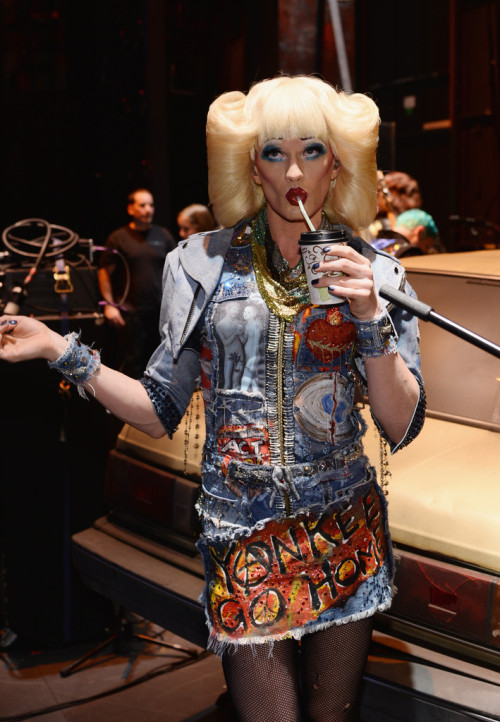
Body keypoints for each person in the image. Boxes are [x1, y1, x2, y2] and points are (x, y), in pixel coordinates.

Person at [0, 75, 425, 722]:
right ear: (250, 165)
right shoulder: (198, 264)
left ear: (338, 161)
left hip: (345, 534)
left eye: (312, 150)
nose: (294, 171)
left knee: (332, 717)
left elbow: (400, 424)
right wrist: (58, 348)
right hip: (242, 536)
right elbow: (156, 411)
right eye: (273, 152)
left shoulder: (380, 271)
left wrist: (369, 315)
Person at [98, 188, 177, 377]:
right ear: (131, 209)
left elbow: (177, 271)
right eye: (142, 205)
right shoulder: (118, 238)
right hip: (130, 314)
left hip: (160, 313)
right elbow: (104, 272)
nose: (148, 209)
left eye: (151, 205)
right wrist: (109, 305)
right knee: (131, 365)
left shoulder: (163, 235)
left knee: (161, 366)